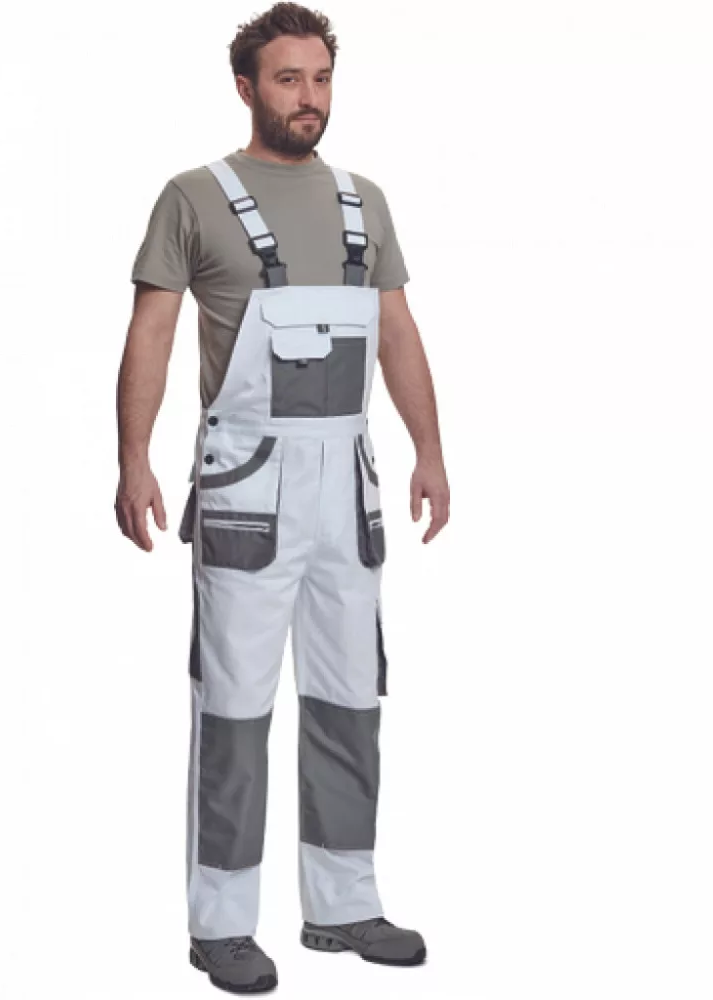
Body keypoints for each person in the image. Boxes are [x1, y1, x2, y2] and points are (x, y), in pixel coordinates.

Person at [115, 3, 450, 993]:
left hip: (348, 483)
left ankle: (343, 905)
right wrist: (133, 459)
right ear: (246, 87)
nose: (309, 97)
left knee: (350, 697)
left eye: (320, 79)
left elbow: (397, 332)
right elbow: (150, 335)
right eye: (288, 79)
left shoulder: (363, 201)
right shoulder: (193, 197)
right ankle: (220, 924)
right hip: (247, 486)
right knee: (234, 706)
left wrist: (430, 449)